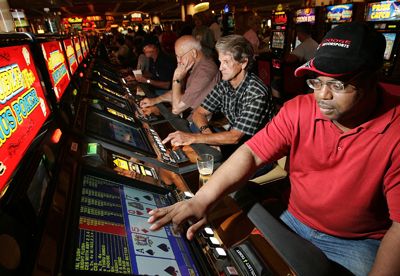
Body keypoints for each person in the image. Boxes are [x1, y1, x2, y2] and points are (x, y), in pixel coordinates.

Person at [148, 22, 400, 276]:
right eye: (317, 82)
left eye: (337, 85)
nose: (322, 95)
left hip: (355, 242)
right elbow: (252, 152)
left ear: (371, 78)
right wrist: (201, 200)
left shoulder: (396, 132)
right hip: (293, 218)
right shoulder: (300, 108)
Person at [162, 35, 275, 158]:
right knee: (194, 137)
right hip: (239, 144)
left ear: (243, 63)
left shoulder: (256, 92)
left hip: (260, 152)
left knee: (203, 159)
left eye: (226, 62)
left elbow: (234, 137)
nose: (220, 67)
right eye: (220, 61)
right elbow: (198, 113)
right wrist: (206, 134)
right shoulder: (224, 84)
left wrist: (193, 138)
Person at [140, 35, 220, 118]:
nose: (178, 61)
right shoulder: (196, 66)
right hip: (189, 116)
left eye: (180, 56)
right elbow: (181, 94)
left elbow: (176, 109)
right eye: (177, 56)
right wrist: (155, 100)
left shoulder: (205, 71)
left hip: (196, 124)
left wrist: (176, 79)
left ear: (193, 53)